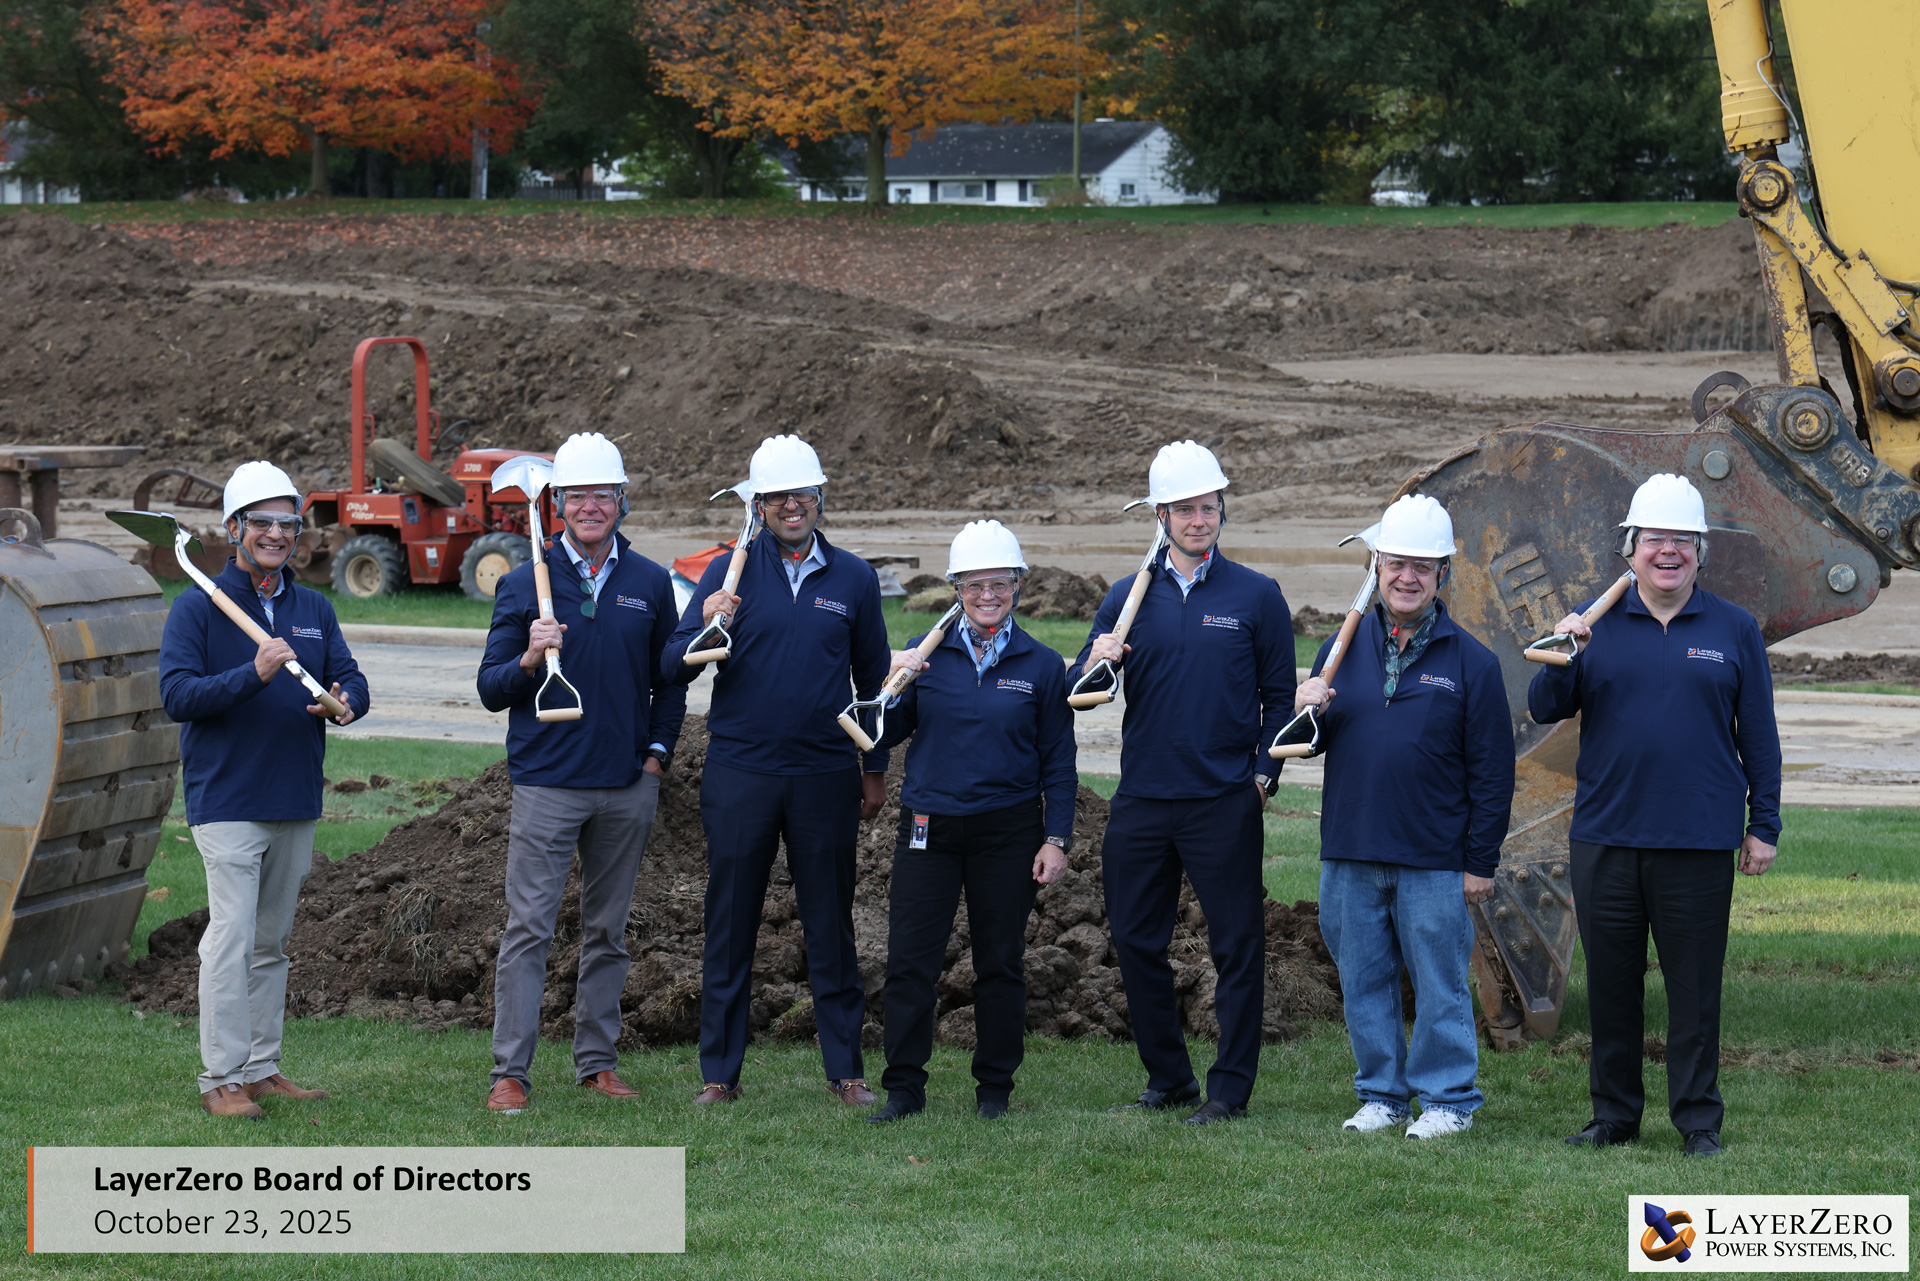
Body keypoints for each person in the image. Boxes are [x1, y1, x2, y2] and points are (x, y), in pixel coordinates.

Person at [1528, 473, 1780, 1159]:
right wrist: (1563, 645)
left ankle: (1698, 1120)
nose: (1667, 552)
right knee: (1611, 987)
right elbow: (1545, 704)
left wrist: (1765, 824)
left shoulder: (1733, 629)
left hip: (1697, 839)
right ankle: (1614, 1114)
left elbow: (1758, 733)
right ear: (1630, 550)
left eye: (1682, 541)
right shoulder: (1595, 621)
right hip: (1606, 835)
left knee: (1695, 990)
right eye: (1654, 540)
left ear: (1700, 551)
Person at [1066, 441, 1296, 1125]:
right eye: (1186, 509)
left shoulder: (1256, 595)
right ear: (1160, 516)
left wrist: (1263, 777)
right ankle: (1168, 1076)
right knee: (1136, 940)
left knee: (1236, 945)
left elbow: (1279, 698)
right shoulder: (1126, 598)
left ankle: (1229, 1088)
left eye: (1209, 506)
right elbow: (1083, 690)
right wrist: (1096, 655)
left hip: (1224, 797)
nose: (1200, 519)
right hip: (1141, 799)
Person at [662, 435, 891, 1107]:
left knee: (830, 921)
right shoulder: (725, 574)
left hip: (824, 771)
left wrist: (873, 767)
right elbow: (670, 663)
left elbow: (872, 679)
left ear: (820, 498)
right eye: (777, 497)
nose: (792, 506)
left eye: (803, 494)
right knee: (730, 919)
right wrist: (704, 625)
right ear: (757, 506)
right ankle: (719, 1074)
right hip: (740, 770)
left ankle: (846, 1069)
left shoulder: (853, 577)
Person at [1288, 495, 1514, 1140]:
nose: (1406, 577)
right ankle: (1382, 1095)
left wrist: (1480, 861)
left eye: (1422, 566)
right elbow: (1311, 740)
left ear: (1443, 573)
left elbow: (1494, 775)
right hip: (1351, 848)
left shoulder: (1473, 663)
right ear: (1376, 567)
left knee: (1439, 982)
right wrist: (1308, 706)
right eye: (1394, 564)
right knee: (1363, 979)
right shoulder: (1340, 648)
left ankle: (1449, 1100)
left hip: (1435, 856)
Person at [476, 432, 686, 1113]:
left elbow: (670, 679)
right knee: (529, 928)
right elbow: (490, 687)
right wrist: (530, 659)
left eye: (604, 494)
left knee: (608, 931)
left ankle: (597, 1061)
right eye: (577, 496)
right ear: (558, 503)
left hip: (626, 783)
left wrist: (657, 754)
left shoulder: (650, 582)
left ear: (622, 501)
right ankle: (511, 1071)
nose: (591, 506)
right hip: (547, 782)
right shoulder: (521, 582)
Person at [159, 460, 367, 1119]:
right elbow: (177, 696)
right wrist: (253, 672)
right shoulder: (198, 606)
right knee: (231, 935)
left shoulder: (313, 608)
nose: (278, 534)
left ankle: (260, 1065)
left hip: (294, 795)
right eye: (264, 523)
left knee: (271, 940)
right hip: (227, 800)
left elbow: (351, 678)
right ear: (234, 528)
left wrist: (345, 701)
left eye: (288, 523)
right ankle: (220, 1076)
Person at [866, 521, 1078, 1123]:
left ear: (1018, 585)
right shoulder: (926, 654)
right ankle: (904, 1089)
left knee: (1000, 962)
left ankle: (994, 1090)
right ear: (955, 587)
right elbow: (885, 733)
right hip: (928, 826)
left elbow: (1058, 763)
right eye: (974, 584)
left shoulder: (1039, 664)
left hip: (1006, 832)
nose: (989, 595)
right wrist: (892, 682)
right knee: (911, 962)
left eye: (1000, 584)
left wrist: (1055, 837)